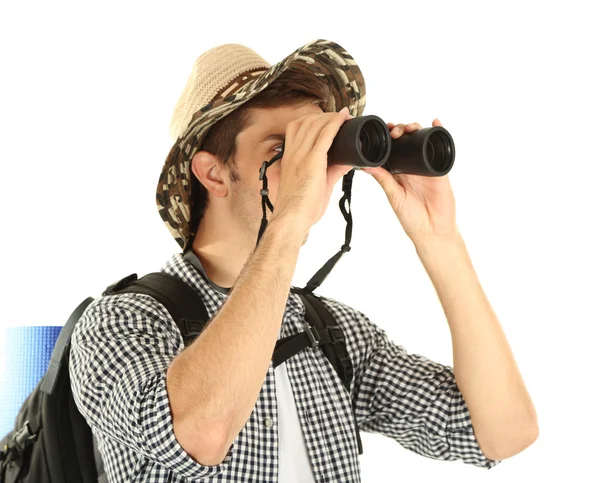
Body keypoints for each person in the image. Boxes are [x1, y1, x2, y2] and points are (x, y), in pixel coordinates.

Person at [69, 39, 538, 482]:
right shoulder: (121, 322)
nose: (309, 172)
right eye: (281, 151)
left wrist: (440, 240)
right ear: (213, 173)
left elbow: (502, 434)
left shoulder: (330, 333)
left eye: (317, 151)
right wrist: (288, 221)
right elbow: (200, 436)